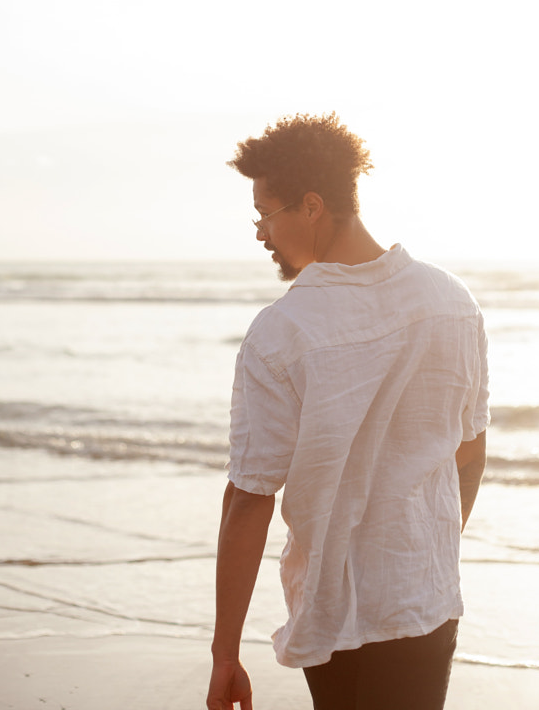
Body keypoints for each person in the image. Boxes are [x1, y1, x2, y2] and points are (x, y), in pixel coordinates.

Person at [206, 113, 489, 710]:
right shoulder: (451, 302)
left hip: (333, 612)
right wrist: (426, 552)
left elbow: (250, 495)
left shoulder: (282, 332)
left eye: (266, 214)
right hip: (426, 600)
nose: (260, 234)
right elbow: (470, 451)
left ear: (312, 206)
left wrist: (225, 653)